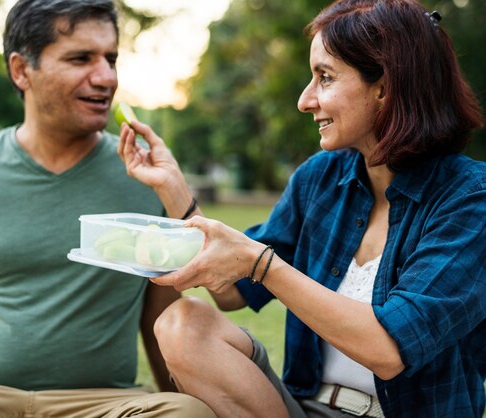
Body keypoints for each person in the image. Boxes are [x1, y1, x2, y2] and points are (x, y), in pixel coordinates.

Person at [117, 0, 486, 417]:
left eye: (324, 78)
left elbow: (389, 350)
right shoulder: (320, 179)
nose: (305, 100)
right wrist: (174, 188)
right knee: (183, 324)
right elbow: (236, 289)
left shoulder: (470, 198)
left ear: (384, 87)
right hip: (302, 408)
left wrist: (263, 265)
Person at [0, 1, 216, 417]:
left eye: (111, 58)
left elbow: (162, 323)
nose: (106, 77)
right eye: (81, 58)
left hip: (97, 403)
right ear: (20, 70)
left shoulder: (147, 177)